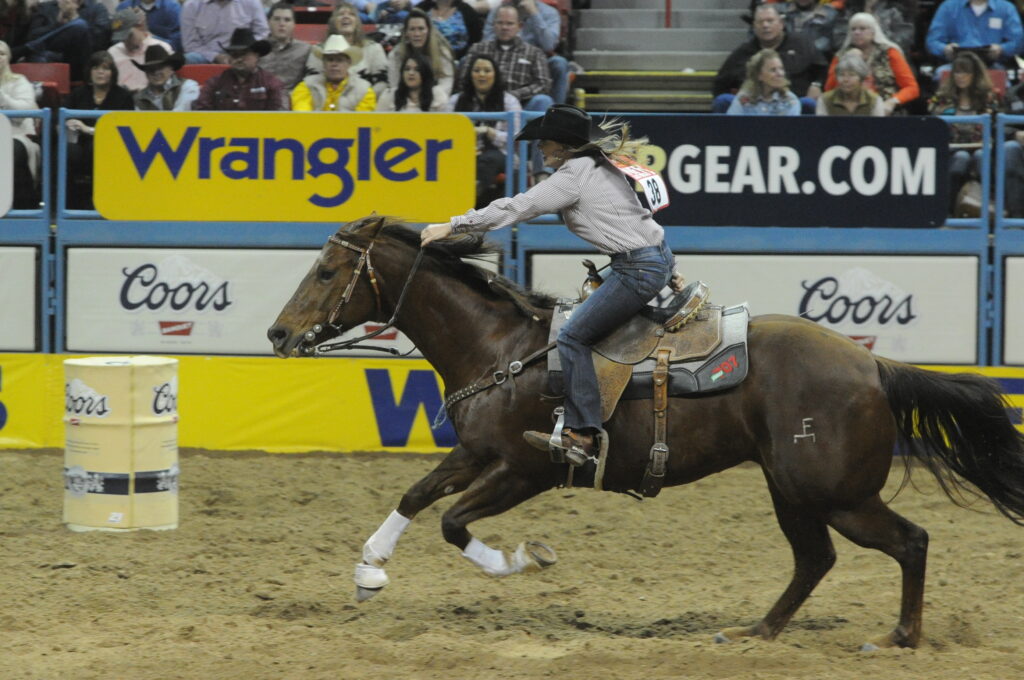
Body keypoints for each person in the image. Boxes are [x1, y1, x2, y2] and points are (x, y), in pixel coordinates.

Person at [420, 104, 678, 465]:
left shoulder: (572, 175)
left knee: (572, 336)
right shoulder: (602, 166)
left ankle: (584, 434)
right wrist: (665, 267)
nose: (540, 148)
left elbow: (517, 207)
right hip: (655, 257)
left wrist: (454, 225)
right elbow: (638, 217)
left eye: (544, 142)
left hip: (637, 268)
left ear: (562, 146)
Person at [712, 3, 826, 113]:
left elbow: (822, 68)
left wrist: (816, 85)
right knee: (723, 100)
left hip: (793, 103)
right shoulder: (743, 52)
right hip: (752, 107)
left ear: (781, 23)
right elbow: (720, 83)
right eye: (760, 22)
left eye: (770, 21)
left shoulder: (802, 44)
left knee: (809, 104)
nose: (765, 25)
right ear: (754, 26)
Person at [928, 51, 1001, 214]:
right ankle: (947, 211)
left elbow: (996, 127)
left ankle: (988, 209)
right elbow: (933, 124)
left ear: (975, 75)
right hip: (950, 148)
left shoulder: (988, 98)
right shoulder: (942, 98)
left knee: (981, 157)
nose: (960, 76)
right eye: (957, 72)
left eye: (966, 72)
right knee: (961, 158)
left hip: (982, 148)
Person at [446, 53, 521, 206]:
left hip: (500, 155)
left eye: (487, 71)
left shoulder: (509, 101)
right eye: (477, 70)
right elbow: (443, 131)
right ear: (470, 75)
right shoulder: (455, 101)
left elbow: (517, 136)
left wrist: (490, 132)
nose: (481, 75)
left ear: (495, 74)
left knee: (488, 160)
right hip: (462, 153)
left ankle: (470, 201)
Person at [64, 50, 134, 210]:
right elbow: (62, 116)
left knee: (96, 147)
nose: (100, 72)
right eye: (95, 67)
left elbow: (124, 129)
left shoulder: (123, 96)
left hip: (112, 146)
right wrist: (68, 123)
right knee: (67, 151)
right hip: (78, 143)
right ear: (89, 71)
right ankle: (66, 205)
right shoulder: (78, 93)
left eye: (105, 68)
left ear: (112, 73)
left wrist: (88, 129)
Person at [824, 11, 917, 115]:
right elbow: (829, 89)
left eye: (862, 29)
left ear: (874, 32)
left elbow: (912, 88)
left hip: (886, 111)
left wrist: (893, 102)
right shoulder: (841, 55)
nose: (857, 32)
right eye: (853, 29)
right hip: (848, 111)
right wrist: (848, 59)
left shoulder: (890, 52)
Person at [481, 0, 567, 104]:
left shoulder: (549, 12)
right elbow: (486, 42)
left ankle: (557, 113)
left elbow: (548, 45)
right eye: (501, 23)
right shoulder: (499, 11)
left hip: (537, 62)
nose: (504, 26)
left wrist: (534, 13)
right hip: (500, 56)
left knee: (559, 63)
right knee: (468, 60)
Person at [192, 27, 287, 109]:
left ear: (257, 55)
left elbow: (281, 115)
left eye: (244, 53)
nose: (239, 59)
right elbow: (201, 113)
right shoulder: (214, 84)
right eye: (235, 55)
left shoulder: (271, 84)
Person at [12, 0, 109, 80]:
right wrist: (58, 25)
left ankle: (27, 48)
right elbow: (32, 35)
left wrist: (75, 18)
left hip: (78, 60)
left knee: (80, 25)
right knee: (41, 56)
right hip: (47, 56)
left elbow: (100, 41)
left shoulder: (97, 9)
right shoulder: (45, 7)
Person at [925, 0, 1022, 79]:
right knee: (941, 74)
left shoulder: (1006, 8)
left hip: (992, 65)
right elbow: (932, 41)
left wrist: (1002, 49)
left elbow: (1019, 42)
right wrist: (945, 48)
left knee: (1003, 80)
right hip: (955, 65)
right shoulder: (949, 7)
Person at [307, 2, 388, 96]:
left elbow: (382, 83)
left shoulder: (373, 48)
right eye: (340, 14)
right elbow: (311, 81)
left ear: (358, 22)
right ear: (332, 22)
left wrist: (364, 99)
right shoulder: (318, 50)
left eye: (351, 14)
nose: (346, 17)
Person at [0, 38, 39, 210]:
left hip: (16, 135)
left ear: (8, 58)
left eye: (1, 53)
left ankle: (22, 208)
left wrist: (2, 96)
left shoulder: (19, 81)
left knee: (10, 148)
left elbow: (21, 114)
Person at [292, 34, 374, 111]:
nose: (334, 64)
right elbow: (302, 116)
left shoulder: (364, 90)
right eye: (330, 60)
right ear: (323, 63)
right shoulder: (306, 86)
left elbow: (362, 121)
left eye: (339, 60)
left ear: (349, 64)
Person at [386, 8, 455, 96]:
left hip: (435, 102)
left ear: (429, 31)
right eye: (412, 29)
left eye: (421, 29)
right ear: (406, 33)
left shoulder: (442, 53)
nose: (417, 34)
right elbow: (394, 87)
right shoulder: (396, 55)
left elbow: (446, 87)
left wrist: (426, 99)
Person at [180, 0, 268, 64]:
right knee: (190, 58)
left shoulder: (251, 2)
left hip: (244, 52)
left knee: (264, 57)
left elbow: (262, 33)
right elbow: (190, 44)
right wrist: (215, 56)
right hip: (207, 56)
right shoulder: (191, 6)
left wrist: (243, 52)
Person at [107, 7, 173, 91]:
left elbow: (170, 85)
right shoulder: (112, 53)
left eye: (128, 35)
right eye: (121, 38)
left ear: (140, 27)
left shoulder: (162, 49)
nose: (125, 41)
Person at [726, 48, 801, 115]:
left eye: (781, 69)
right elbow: (731, 126)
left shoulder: (790, 100)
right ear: (759, 75)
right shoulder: (743, 98)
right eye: (773, 70)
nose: (780, 74)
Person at [831, 0, 917, 55]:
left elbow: (904, 40)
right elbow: (839, 40)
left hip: (889, 58)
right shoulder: (851, 7)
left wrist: (878, 32)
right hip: (853, 58)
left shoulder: (899, 7)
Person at [132, 43, 200, 110]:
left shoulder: (187, 86)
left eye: (160, 67)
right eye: (151, 69)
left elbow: (180, 116)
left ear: (171, 69)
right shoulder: (139, 98)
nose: (156, 72)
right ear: (146, 73)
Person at [259, 2, 310, 91]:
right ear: (268, 22)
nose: (282, 24)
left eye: (287, 20)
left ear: (294, 24)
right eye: (277, 19)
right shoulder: (257, 48)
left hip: (292, 99)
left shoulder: (306, 50)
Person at [816, 50, 884, 115]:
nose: (845, 80)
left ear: (861, 78)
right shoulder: (824, 100)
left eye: (851, 75)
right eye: (841, 75)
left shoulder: (874, 100)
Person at [376, 51, 445, 111]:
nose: (411, 73)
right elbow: (377, 124)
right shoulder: (389, 96)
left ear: (425, 74)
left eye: (417, 69)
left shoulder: (437, 95)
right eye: (407, 69)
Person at [114, 0, 182, 52]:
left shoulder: (172, 7)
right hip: (129, 52)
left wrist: (148, 38)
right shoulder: (123, 7)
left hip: (162, 55)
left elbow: (177, 44)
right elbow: (116, 39)